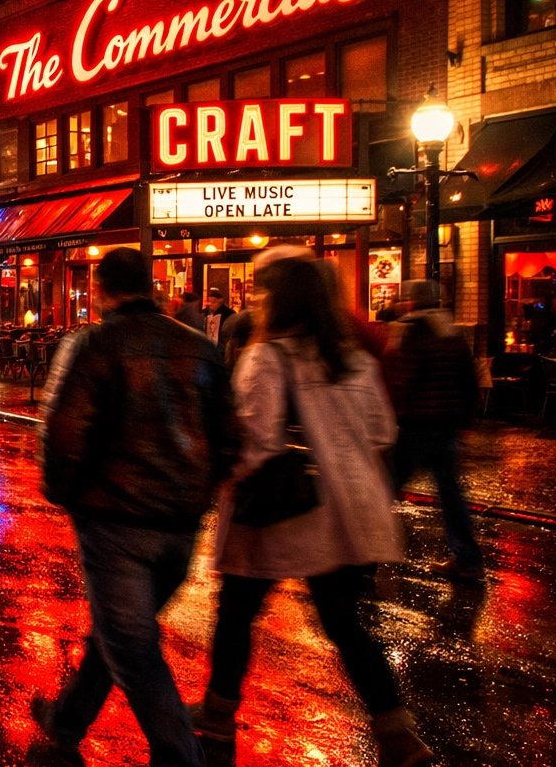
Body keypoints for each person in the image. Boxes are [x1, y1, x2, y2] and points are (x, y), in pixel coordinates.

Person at [189, 256, 431, 767]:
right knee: (344, 621)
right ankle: (396, 730)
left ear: (281, 300)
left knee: (237, 610)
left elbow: (256, 441)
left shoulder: (267, 359)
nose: (254, 299)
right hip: (349, 511)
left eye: (262, 292)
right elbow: (382, 431)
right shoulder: (353, 358)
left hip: (282, 511)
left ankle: (218, 711)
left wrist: (221, 478)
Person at [32, 249, 231, 767]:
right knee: (120, 632)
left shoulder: (93, 344)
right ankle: (68, 720)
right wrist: (200, 490)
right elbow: (229, 436)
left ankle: (180, 755)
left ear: (101, 290)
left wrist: (62, 490)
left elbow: (64, 430)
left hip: (115, 518)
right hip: (181, 521)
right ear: (153, 287)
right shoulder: (200, 349)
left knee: (132, 644)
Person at [383, 278, 483, 580]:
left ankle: (357, 557)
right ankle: (467, 559)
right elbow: (470, 379)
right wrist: (465, 421)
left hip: (415, 426)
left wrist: (393, 414)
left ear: (412, 302)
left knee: (382, 487)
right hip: (447, 427)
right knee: (451, 494)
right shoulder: (453, 334)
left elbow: (403, 379)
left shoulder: (411, 332)